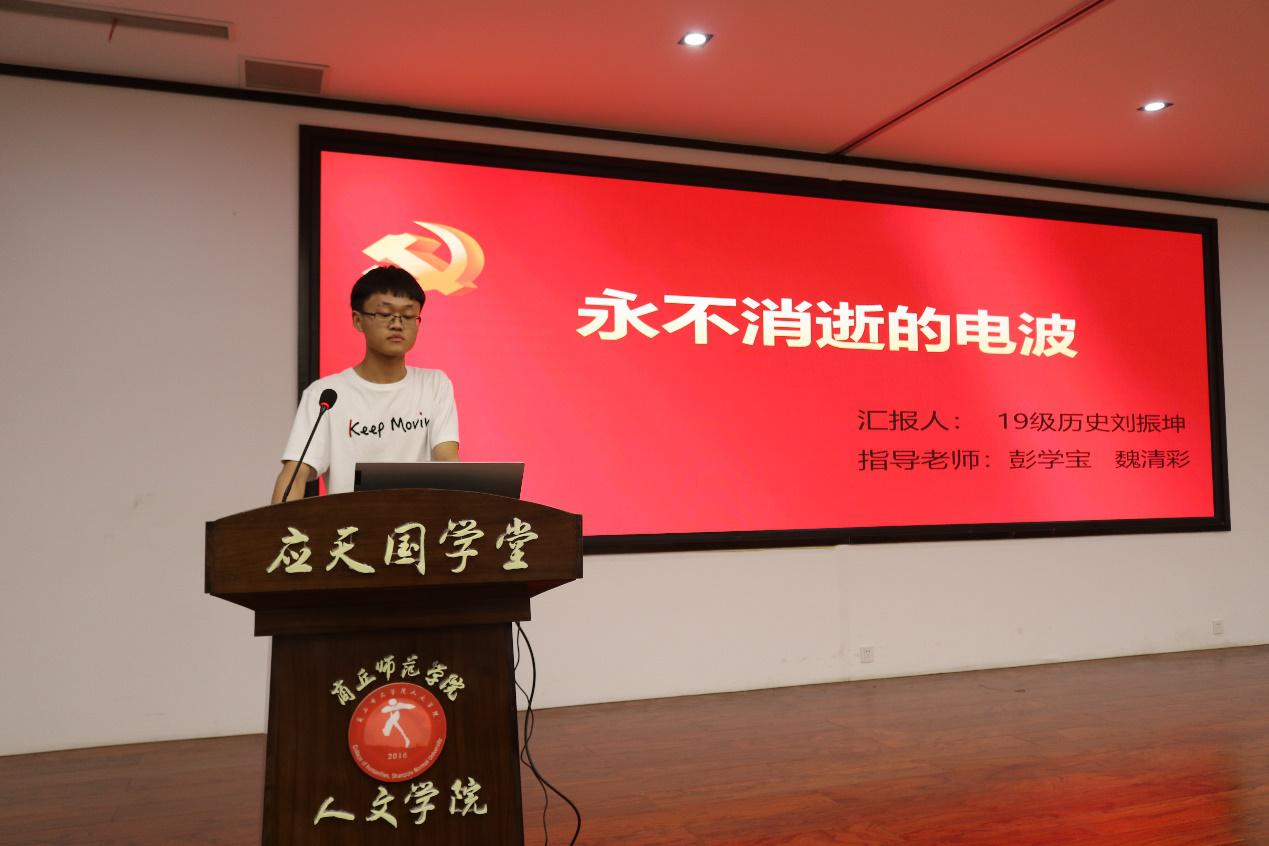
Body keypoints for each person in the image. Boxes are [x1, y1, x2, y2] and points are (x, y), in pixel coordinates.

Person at [271, 265, 459, 503]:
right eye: (385, 314)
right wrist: (277, 525)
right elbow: (295, 474)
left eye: (408, 315)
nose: (397, 324)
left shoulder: (435, 385)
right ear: (358, 320)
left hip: (417, 525)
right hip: (348, 526)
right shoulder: (326, 395)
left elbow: (447, 460)